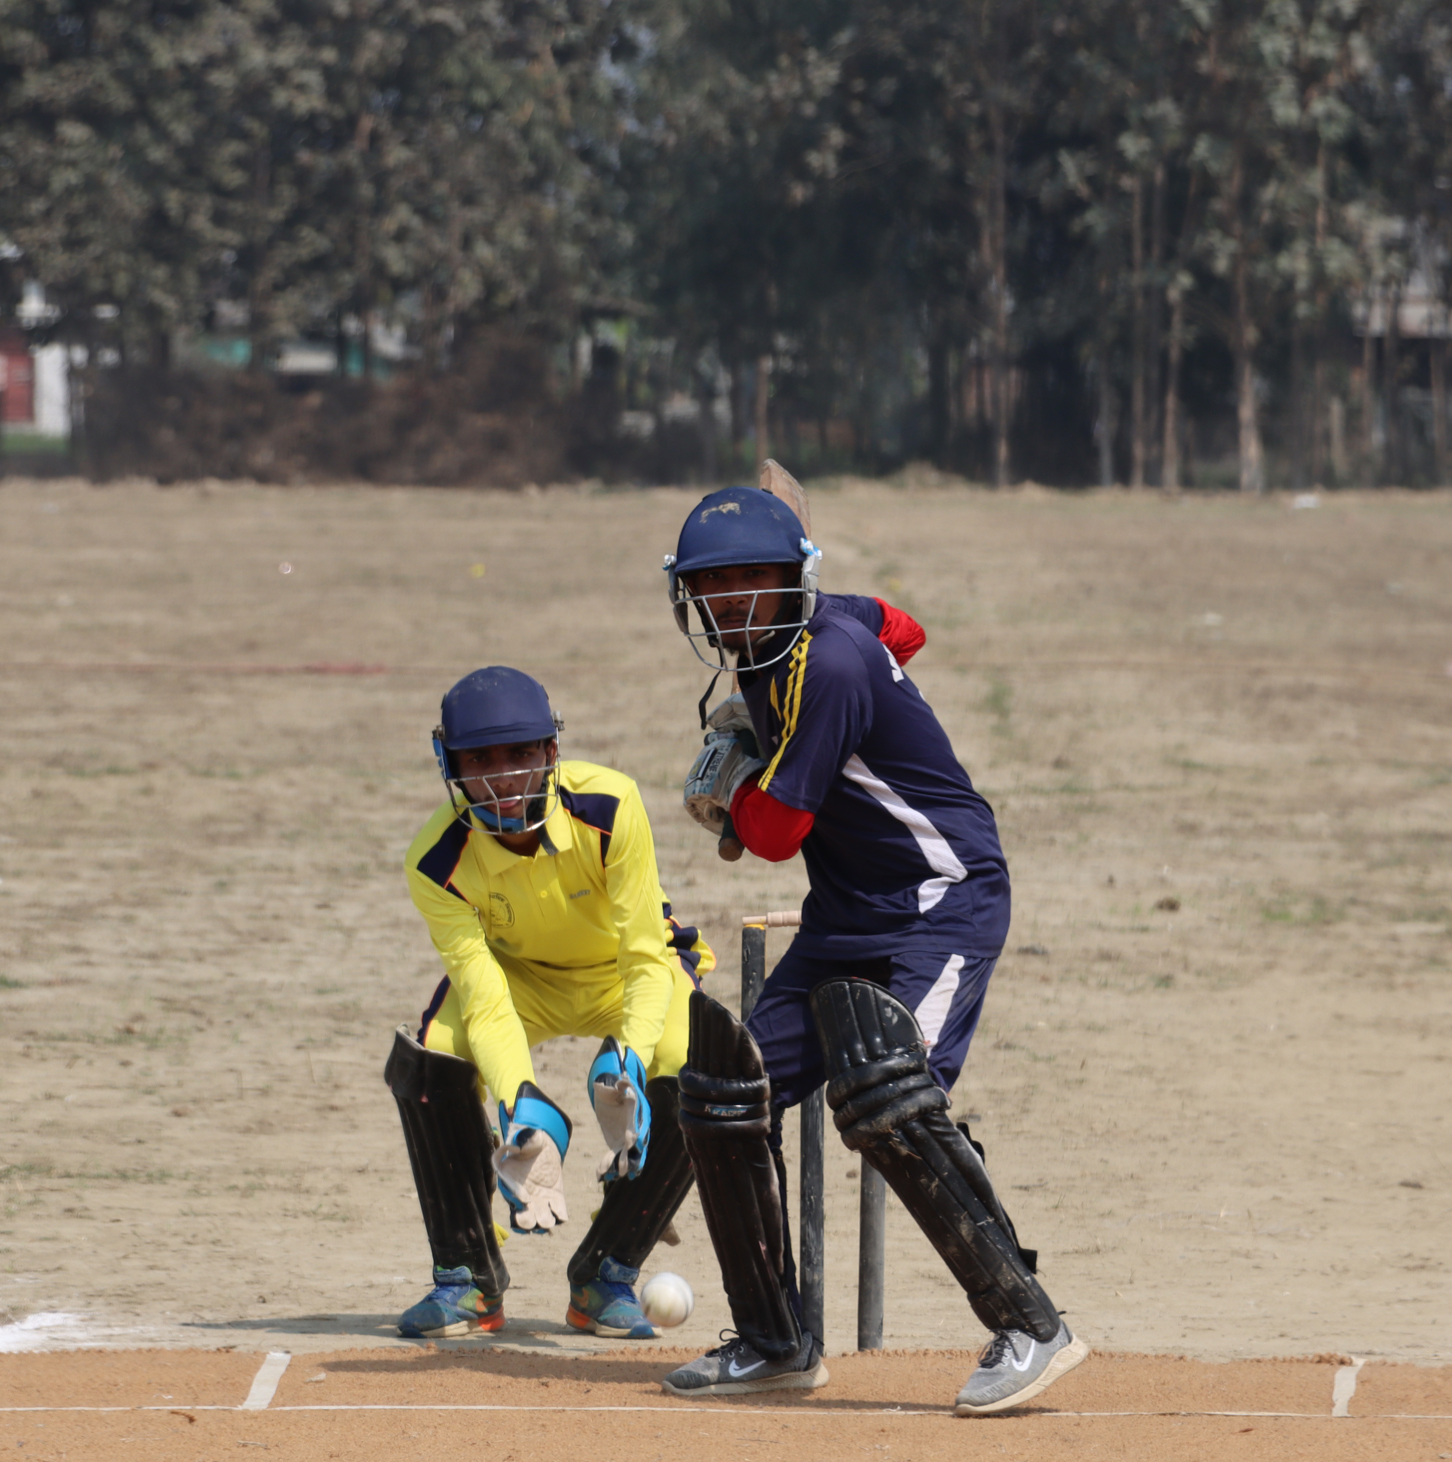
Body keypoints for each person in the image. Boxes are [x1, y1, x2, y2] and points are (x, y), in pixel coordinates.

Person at [657, 484, 1084, 1414]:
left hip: (941, 900)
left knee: (887, 1096)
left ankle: (1029, 1323)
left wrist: (732, 783)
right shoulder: (826, 627)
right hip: (847, 909)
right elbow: (908, 626)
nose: (732, 600)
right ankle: (775, 1341)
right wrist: (761, 731)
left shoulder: (834, 667)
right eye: (713, 583)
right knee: (728, 1092)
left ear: (790, 578)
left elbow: (769, 835)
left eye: (751, 578)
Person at [388, 666, 713, 1339]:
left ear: (551, 753)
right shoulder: (434, 860)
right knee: (432, 1061)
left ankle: (606, 1273)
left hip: (623, 972)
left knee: (699, 1063)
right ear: (450, 765)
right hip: (518, 982)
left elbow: (647, 957)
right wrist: (519, 1103)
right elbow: (482, 995)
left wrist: (629, 1059)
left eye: (520, 754)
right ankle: (467, 1280)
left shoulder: (612, 805)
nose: (503, 777)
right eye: (479, 760)